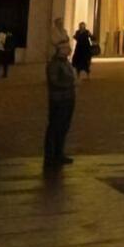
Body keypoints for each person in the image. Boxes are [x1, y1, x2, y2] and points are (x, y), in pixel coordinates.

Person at [44, 40, 76, 169]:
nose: (69, 49)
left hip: (68, 98)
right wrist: (70, 84)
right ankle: (51, 155)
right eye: (67, 47)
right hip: (59, 99)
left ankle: (59, 153)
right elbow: (54, 81)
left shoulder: (65, 62)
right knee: (55, 127)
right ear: (60, 50)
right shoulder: (54, 64)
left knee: (64, 127)